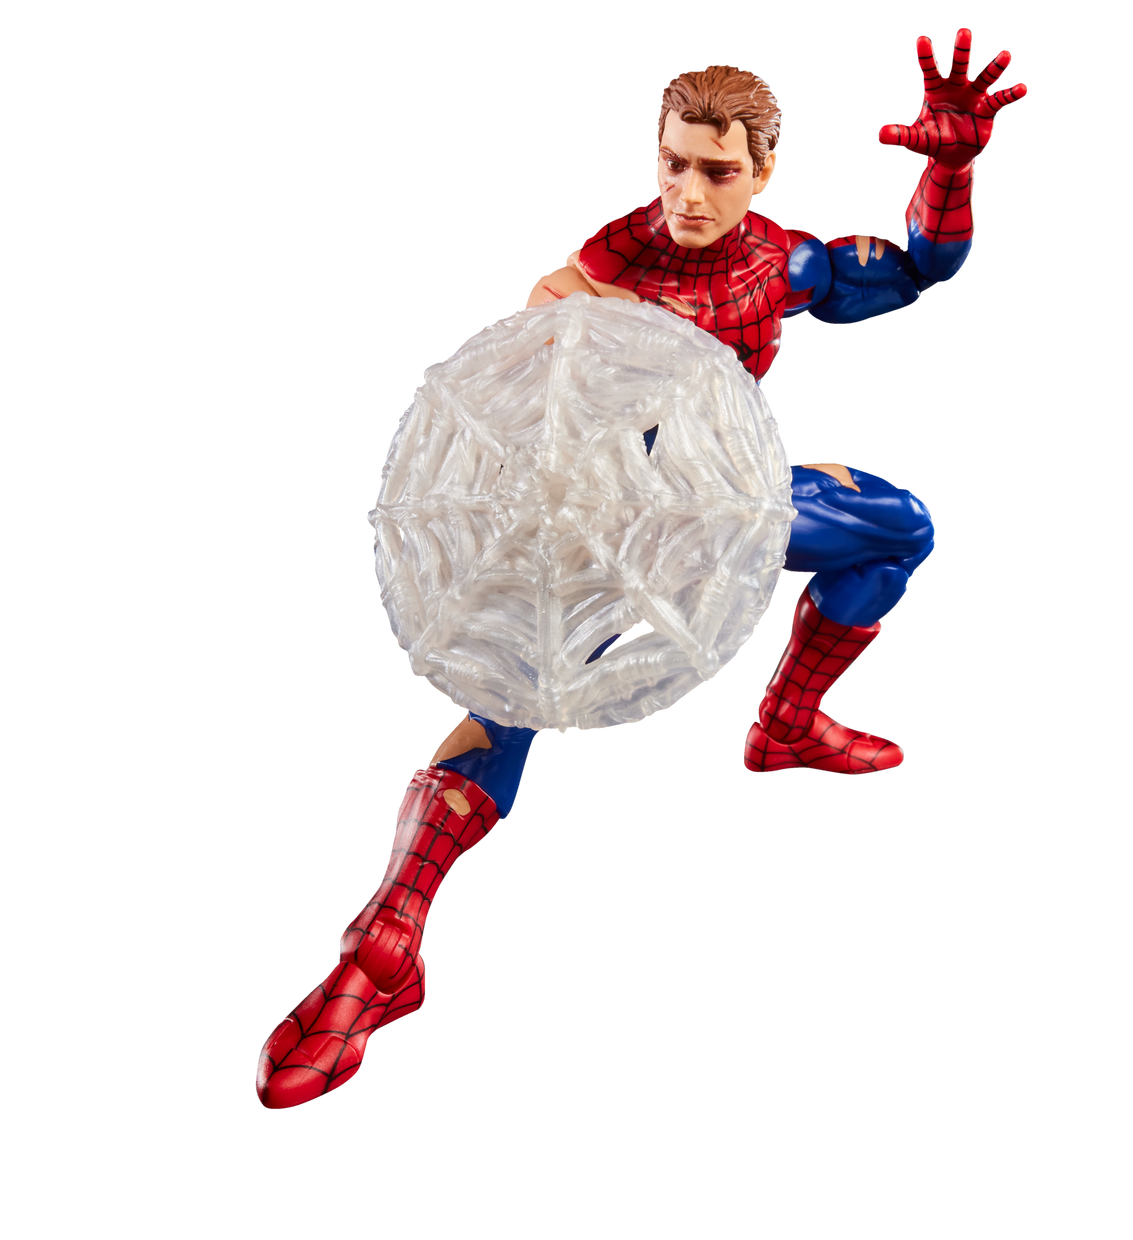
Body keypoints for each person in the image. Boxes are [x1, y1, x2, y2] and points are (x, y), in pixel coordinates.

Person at [254, 27, 1029, 1111]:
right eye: (673, 164)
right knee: (507, 701)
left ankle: (786, 722)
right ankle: (379, 950)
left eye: (717, 170)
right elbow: (542, 325)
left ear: (763, 173)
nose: (689, 193)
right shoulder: (611, 264)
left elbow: (917, 270)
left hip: (722, 513)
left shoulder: (784, 264)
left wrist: (951, 167)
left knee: (900, 527)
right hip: (593, 534)